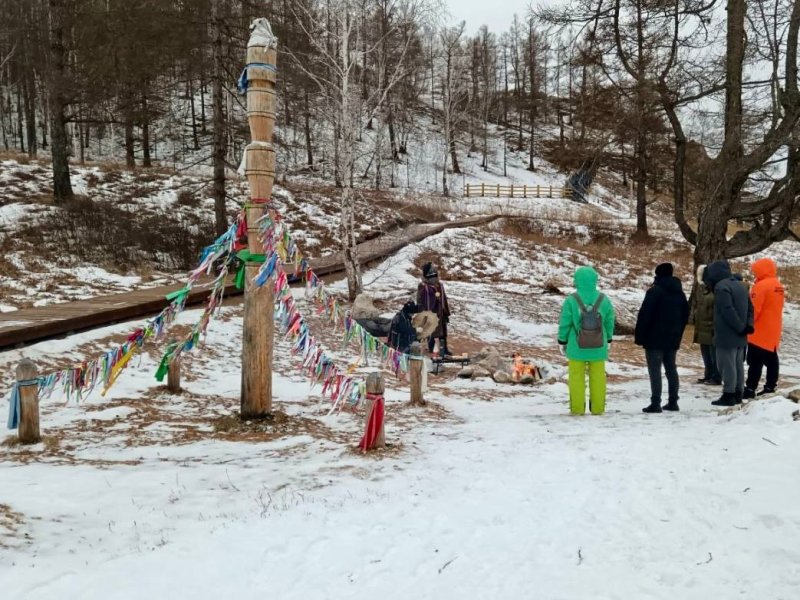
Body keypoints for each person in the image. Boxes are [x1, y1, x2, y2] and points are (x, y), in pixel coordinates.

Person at [558, 266, 615, 415]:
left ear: (576, 281)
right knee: (598, 378)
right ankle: (598, 408)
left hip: (577, 346)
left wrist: (562, 340)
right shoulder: (603, 299)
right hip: (598, 346)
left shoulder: (571, 300)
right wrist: (608, 338)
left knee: (576, 378)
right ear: (595, 280)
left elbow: (565, 322)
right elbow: (609, 321)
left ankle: (577, 409)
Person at [634, 263, 690, 413]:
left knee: (655, 371)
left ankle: (655, 403)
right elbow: (686, 316)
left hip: (654, 338)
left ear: (657, 274)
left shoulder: (654, 292)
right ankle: (673, 401)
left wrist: (639, 337)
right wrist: (678, 333)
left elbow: (645, 316)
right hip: (673, 338)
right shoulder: (680, 294)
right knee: (671, 369)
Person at [703, 260, 754, 406]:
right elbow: (751, 308)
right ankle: (738, 393)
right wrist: (748, 326)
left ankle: (729, 394)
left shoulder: (720, 287)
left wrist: (739, 327)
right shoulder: (740, 285)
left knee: (726, 365)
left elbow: (727, 310)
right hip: (741, 334)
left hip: (727, 334)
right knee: (738, 365)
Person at [743, 258, 785, 398]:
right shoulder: (778, 285)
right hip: (773, 329)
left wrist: (746, 324)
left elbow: (754, 309)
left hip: (759, 330)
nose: (754, 273)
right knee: (772, 359)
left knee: (755, 362)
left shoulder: (761, 286)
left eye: (756, 270)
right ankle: (770, 386)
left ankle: (750, 388)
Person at [694, 265, 721, 385]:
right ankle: (708, 374)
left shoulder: (715, 291)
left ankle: (716, 376)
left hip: (710, 328)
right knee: (706, 353)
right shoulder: (705, 290)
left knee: (713, 354)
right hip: (702, 327)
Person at [417, 262, 451, 355]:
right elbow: (420, 301)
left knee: (442, 333)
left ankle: (444, 349)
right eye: (431, 275)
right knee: (432, 331)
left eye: (434, 275)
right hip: (431, 312)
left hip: (440, 312)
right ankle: (432, 348)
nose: (433, 277)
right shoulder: (423, 286)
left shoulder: (439, 285)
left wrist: (446, 312)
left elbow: (444, 298)